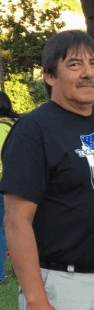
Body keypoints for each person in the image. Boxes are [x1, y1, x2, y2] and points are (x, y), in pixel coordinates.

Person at [0, 30, 94, 310]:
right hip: (63, 284)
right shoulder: (33, 130)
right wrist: (36, 299)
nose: (88, 73)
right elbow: (16, 221)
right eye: (74, 64)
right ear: (50, 76)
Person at [0, 91, 18, 284]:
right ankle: (16, 268)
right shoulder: (16, 125)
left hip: (2, 182)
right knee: (18, 225)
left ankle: (1, 274)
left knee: (1, 230)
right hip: (18, 183)